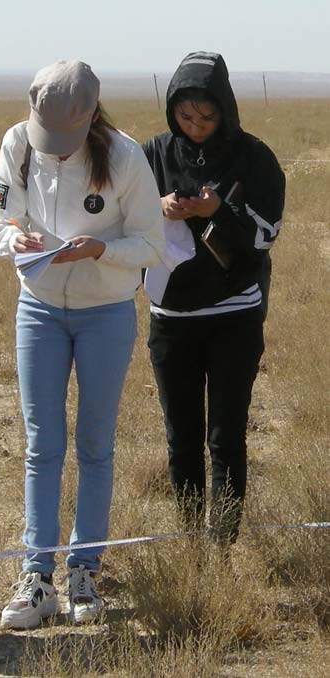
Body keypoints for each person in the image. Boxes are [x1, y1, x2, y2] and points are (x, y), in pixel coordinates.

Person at [0, 61, 164, 628]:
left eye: (67, 142)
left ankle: (83, 571)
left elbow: (149, 245)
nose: (56, 152)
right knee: (42, 443)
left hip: (105, 314)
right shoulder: (16, 144)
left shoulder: (127, 157)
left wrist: (98, 251)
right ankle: (35, 576)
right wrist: (16, 236)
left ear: (91, 118)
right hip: (37, 309)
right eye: (48, 141)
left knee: (94, 442)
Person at [142, 52, 285, 544]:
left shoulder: (255, 156)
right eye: (185, 116)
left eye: (207, 117)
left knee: (225, 439)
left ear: (226, 109)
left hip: (234, 318)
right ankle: (189, 546)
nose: (196, 126)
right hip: (170, 320)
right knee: (181, 439)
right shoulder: (151, 155)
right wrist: (156, 209)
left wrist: (221, 209)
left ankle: (221, 548)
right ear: (171, 110)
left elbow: (268, 234)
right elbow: (119, 220)